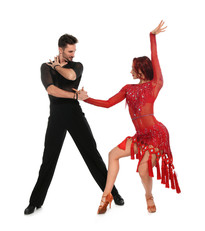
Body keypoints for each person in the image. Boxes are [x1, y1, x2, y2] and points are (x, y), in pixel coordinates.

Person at [82, 21, 181, 214]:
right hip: (141, 137)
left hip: (156, 134)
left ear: (141, 69)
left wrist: (151, 36)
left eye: (133, 68)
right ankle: (106, 195)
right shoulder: (128, 89)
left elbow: (155, 58)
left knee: (143, 170)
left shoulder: (155, 84)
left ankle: (148, 195)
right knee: (113, 154)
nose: (130, 71)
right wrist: (87, 99)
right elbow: (109, 103)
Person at [24, 34, 124, 215]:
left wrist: (57, 67)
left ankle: (112, 193)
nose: (73, 54)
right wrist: (75, 95)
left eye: (74, 51)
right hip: (56, 117)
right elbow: (51, 90)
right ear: (60, 49)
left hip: (75, 115)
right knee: (48, 159)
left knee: (92, 155)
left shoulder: (77, 66)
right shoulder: (45, 68)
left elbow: (70, 76)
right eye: (70, 51)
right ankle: (35, 202)